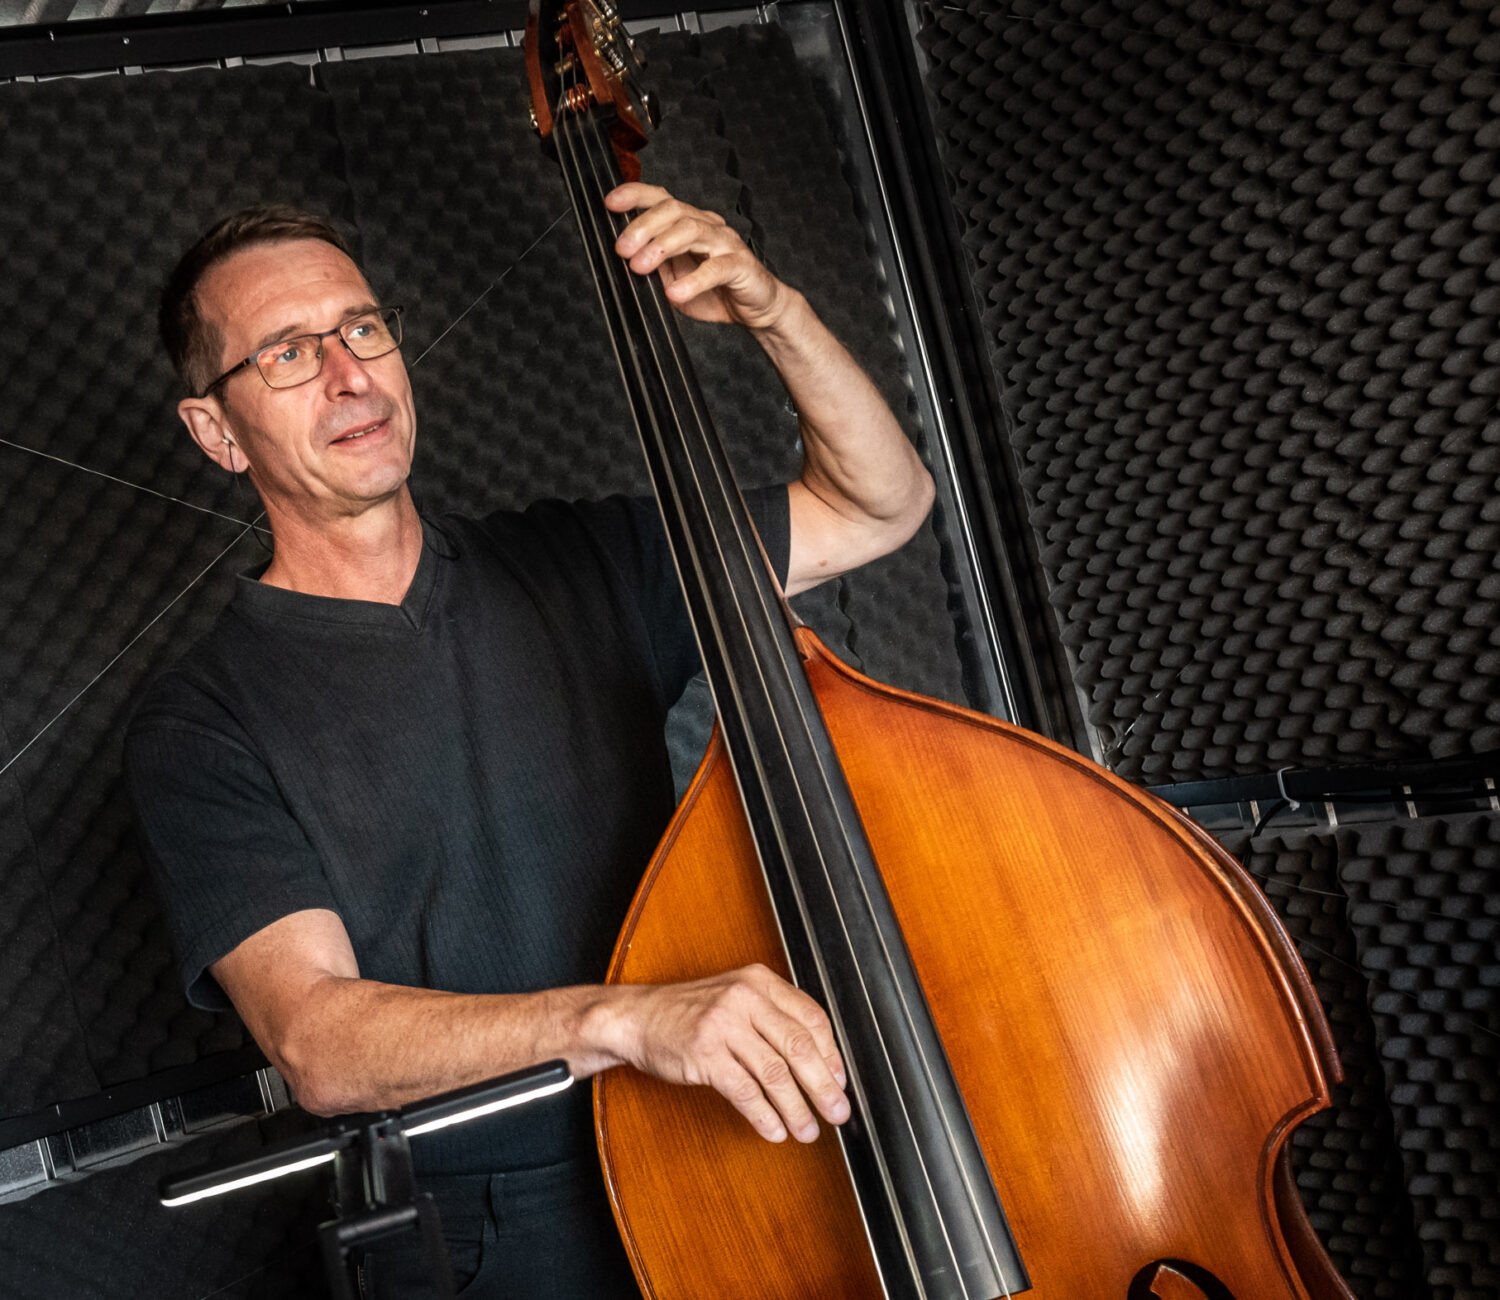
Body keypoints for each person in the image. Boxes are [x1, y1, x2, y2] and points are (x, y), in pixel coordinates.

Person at [126, 182, 934, 1297]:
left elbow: (883, 504)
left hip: (711, 1149)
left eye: (362, 328)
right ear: (217, 431)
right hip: (486, 1230)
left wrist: (774, 311)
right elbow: (317, 1041)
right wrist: (623, 1020)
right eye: (288, 354)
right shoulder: (201, 720)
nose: (350, 375)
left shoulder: (582, 559)